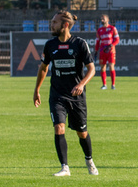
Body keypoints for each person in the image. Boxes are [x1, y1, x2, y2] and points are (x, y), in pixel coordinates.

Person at [33, 11, 98, 177]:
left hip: (76, 96)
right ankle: (65, 167)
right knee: (59, 127)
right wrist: (37, 90)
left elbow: (91, 69)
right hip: (57, 95)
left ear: (65, 25)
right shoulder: (50, 45)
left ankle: (89, 160)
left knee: (82, 132)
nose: (51, 25)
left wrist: (81, 84)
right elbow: (44, 68)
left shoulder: (80, 44)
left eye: (54, 22)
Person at [95, 14, 120, 90]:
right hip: (102, 51)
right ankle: (104, 85)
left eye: (103, 18)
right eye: (101, 18)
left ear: (107, 19)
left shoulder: (112, 28)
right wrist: (96, 51)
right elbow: (97, 41)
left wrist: (111, 45)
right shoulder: (99, 30)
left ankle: (113, 85)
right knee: (103, 67)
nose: (102, 20)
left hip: (111, 51)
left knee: (111, 66)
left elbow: (117, 40)